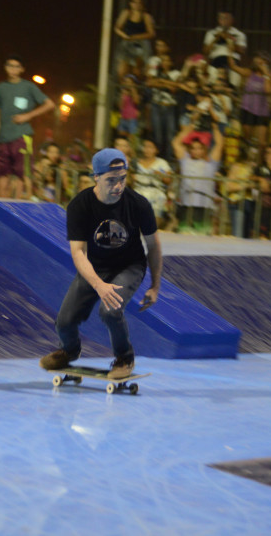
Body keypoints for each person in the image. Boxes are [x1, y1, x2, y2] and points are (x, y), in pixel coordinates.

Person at [39, 148, 162, 379]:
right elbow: (77, 253)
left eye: (122, 179)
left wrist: (155, 286)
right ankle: (69, 350)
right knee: (64, 321)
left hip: (129, 266)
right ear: (96, 177)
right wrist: (98, 284)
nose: (118, 186)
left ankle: (124, 358)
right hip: (95, 266)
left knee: (110, 311)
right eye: (111, 180)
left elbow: (153, 247)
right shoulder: (80, 205)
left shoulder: (138, 204)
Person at [0, 54, 54, 199]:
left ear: (21, 69)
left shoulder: (28, 87)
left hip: (22, 136)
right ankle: (2, 205)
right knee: (2, 173)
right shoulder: (0, 87)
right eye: (10, 66)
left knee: (21, 173)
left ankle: (18, 207)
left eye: (16, 66)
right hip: (3, 137)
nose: (12, 69)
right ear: (5, 68)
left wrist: (28, 116)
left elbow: (49, 104)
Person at [113, 0, 156, 79]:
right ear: (130, 3)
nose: (136, 5)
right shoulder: (126, 13)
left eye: (139, 3)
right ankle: (124, 90)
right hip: (126, 44)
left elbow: (151, 33)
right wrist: (124, 36)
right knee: (121, 72)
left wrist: (134, 37)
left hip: (140, 45)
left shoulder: (146, 16)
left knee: (137, 71)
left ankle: (135, 90)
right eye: (134, 2)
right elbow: (117, 28)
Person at [133, 138, 173, 228]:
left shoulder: (162, 163)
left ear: (156, 150)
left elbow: (168, 180)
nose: (147, 149)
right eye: (145, 147)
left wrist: (160, 175)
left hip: (156, 192)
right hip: (139, 191)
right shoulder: (136, 162)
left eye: (150, 147)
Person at [203, 11, 247, 86]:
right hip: (215, 62)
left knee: (234, 84)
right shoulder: (211, 33)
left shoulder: (239, 34)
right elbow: (205, 51)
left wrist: (228, 38)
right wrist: (216, 39)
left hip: (233, 63)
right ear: (218, 20)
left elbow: (242, 51)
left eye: (227, 18)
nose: (224, 21)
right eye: (222, 18)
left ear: (232, 20)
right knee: (213, 84)